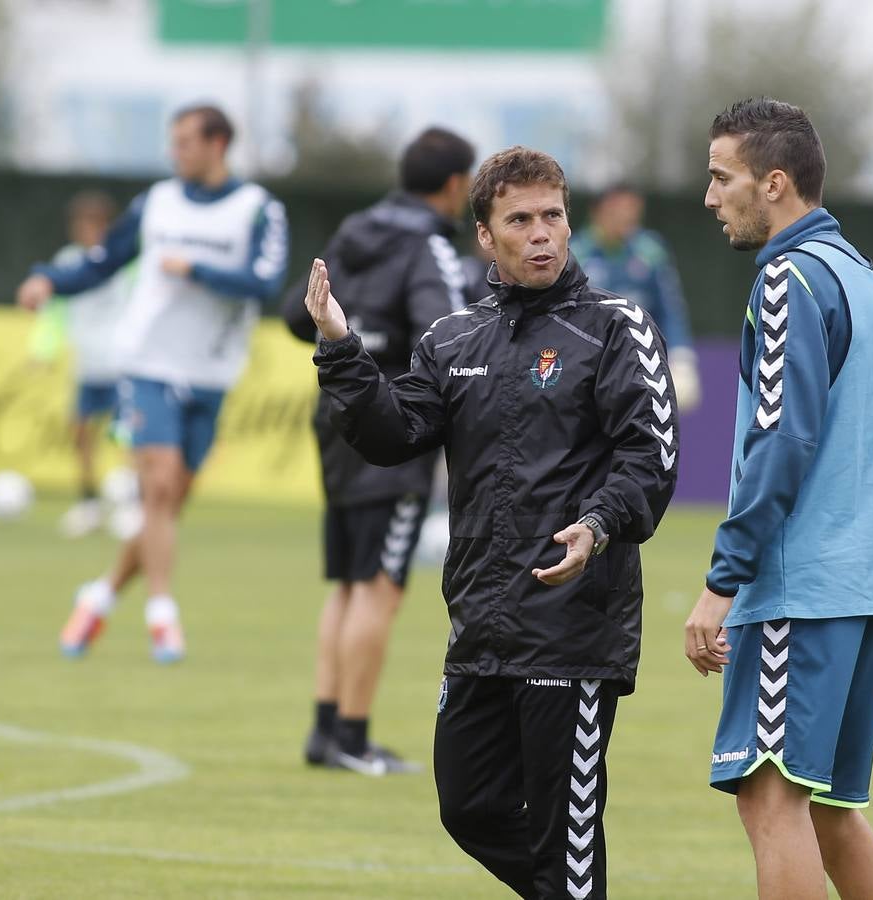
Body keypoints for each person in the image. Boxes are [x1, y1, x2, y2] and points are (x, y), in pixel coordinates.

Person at [303, 146, 677, 900]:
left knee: (562, 838)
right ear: (485, 236)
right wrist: (341, 348)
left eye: (552, 217)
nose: (541, 233)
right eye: (520, 220)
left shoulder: (614, 327)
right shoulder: (450, 339)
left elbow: (651, 457)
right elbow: (391, 436)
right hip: (480, 623)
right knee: (468, 806)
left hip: (572, 629)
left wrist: (598, 525)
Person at [685, 98, 873, 900]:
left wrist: (721, 585)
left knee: (770, 798)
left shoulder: (787, 279)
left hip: (799, 588)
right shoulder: (865, 279)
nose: (709, 197)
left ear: (773, 183)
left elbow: (782, 442)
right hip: (865, 587)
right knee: (828, 815)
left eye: (722, 178)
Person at [15, 103, 288, 663]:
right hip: (146, 363)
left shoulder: (257, 208)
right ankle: (162, 614)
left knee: (171, 504)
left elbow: (265, 282)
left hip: (212, 372)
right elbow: (101, 262)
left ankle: (99, 596)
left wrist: (195, 269)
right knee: (158, 486)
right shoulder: (156, 203)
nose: (175, 152)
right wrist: (48, 278)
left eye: (185, 141)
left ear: (218, 144)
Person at [282, 126, 477, 776]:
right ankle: (354, 737)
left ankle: (324, 730)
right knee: (380, 587)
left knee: (346, 583)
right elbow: (447, 331)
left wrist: (356, 331)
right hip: (392, 426)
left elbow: (295, 312)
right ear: (454, 186)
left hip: (333, 414)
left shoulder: (353, 230)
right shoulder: (427, 244)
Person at [26, 190, 135, 539]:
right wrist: (43, 351)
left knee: (126, 435)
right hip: (87, 364)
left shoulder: (125, 261)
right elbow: (54, 314)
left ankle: (130, 504)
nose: (86, 231)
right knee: (82, 433)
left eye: (93, 224)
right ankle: (89, 503)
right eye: (80, 224)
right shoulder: (68, 260)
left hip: (122, 364)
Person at [570, 183, 702, 411]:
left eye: (633, 209)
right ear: (598, 211)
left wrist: (681, 358)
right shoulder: (575, 253)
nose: (627, 216)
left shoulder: (651, 250)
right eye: (619, 208)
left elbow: (670, 308)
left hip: (643, 361)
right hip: (591, 364)